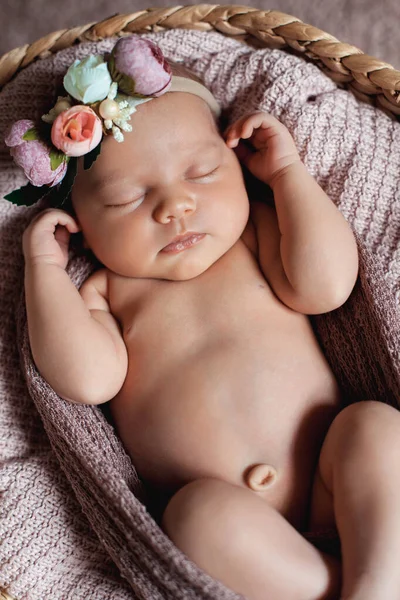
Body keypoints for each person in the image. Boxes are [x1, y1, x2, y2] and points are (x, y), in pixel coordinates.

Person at [13, 38, 400, 600]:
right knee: (193, 516)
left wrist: (288, 174)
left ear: (237, 166)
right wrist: (43, 270)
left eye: (201, 172)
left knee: (375, 427)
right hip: (235, 538)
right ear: (81, 226)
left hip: (334, 483)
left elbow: (328, 286)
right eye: (126, 199)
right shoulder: (105, 292)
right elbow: (85, 379)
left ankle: (378, 582)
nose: (175, 207)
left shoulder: (255, 235)